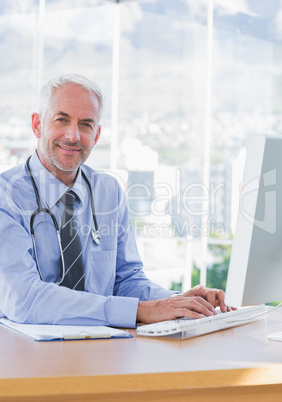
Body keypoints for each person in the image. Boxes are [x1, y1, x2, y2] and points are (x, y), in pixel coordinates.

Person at [0, 74, 230, 328]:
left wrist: (177, 303)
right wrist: (138, 311)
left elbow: (126, 281)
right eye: (61, 120)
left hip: (102, 347)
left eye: (86, 124)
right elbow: (22, 299)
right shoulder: (6, 195)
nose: (73, 135)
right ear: (37, 125)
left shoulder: (108, 191)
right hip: (27, 353)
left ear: (97, 135)